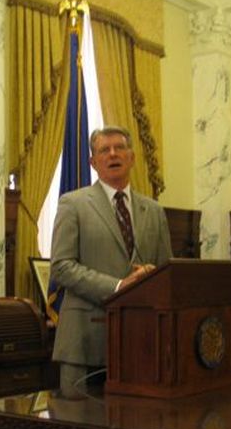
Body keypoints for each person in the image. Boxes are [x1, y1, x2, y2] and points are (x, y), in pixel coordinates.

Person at [50, 126, 172, 396]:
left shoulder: (154, 211)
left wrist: (152, 276)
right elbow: (61, 266)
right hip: (85, 343)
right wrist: (118, 286)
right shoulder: (73, 204)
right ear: (93, 162)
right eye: (104, 150)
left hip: (140, 345)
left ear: (132, 157)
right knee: (79, 427)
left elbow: (167, 273)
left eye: (119, 148)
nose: (113, 154)